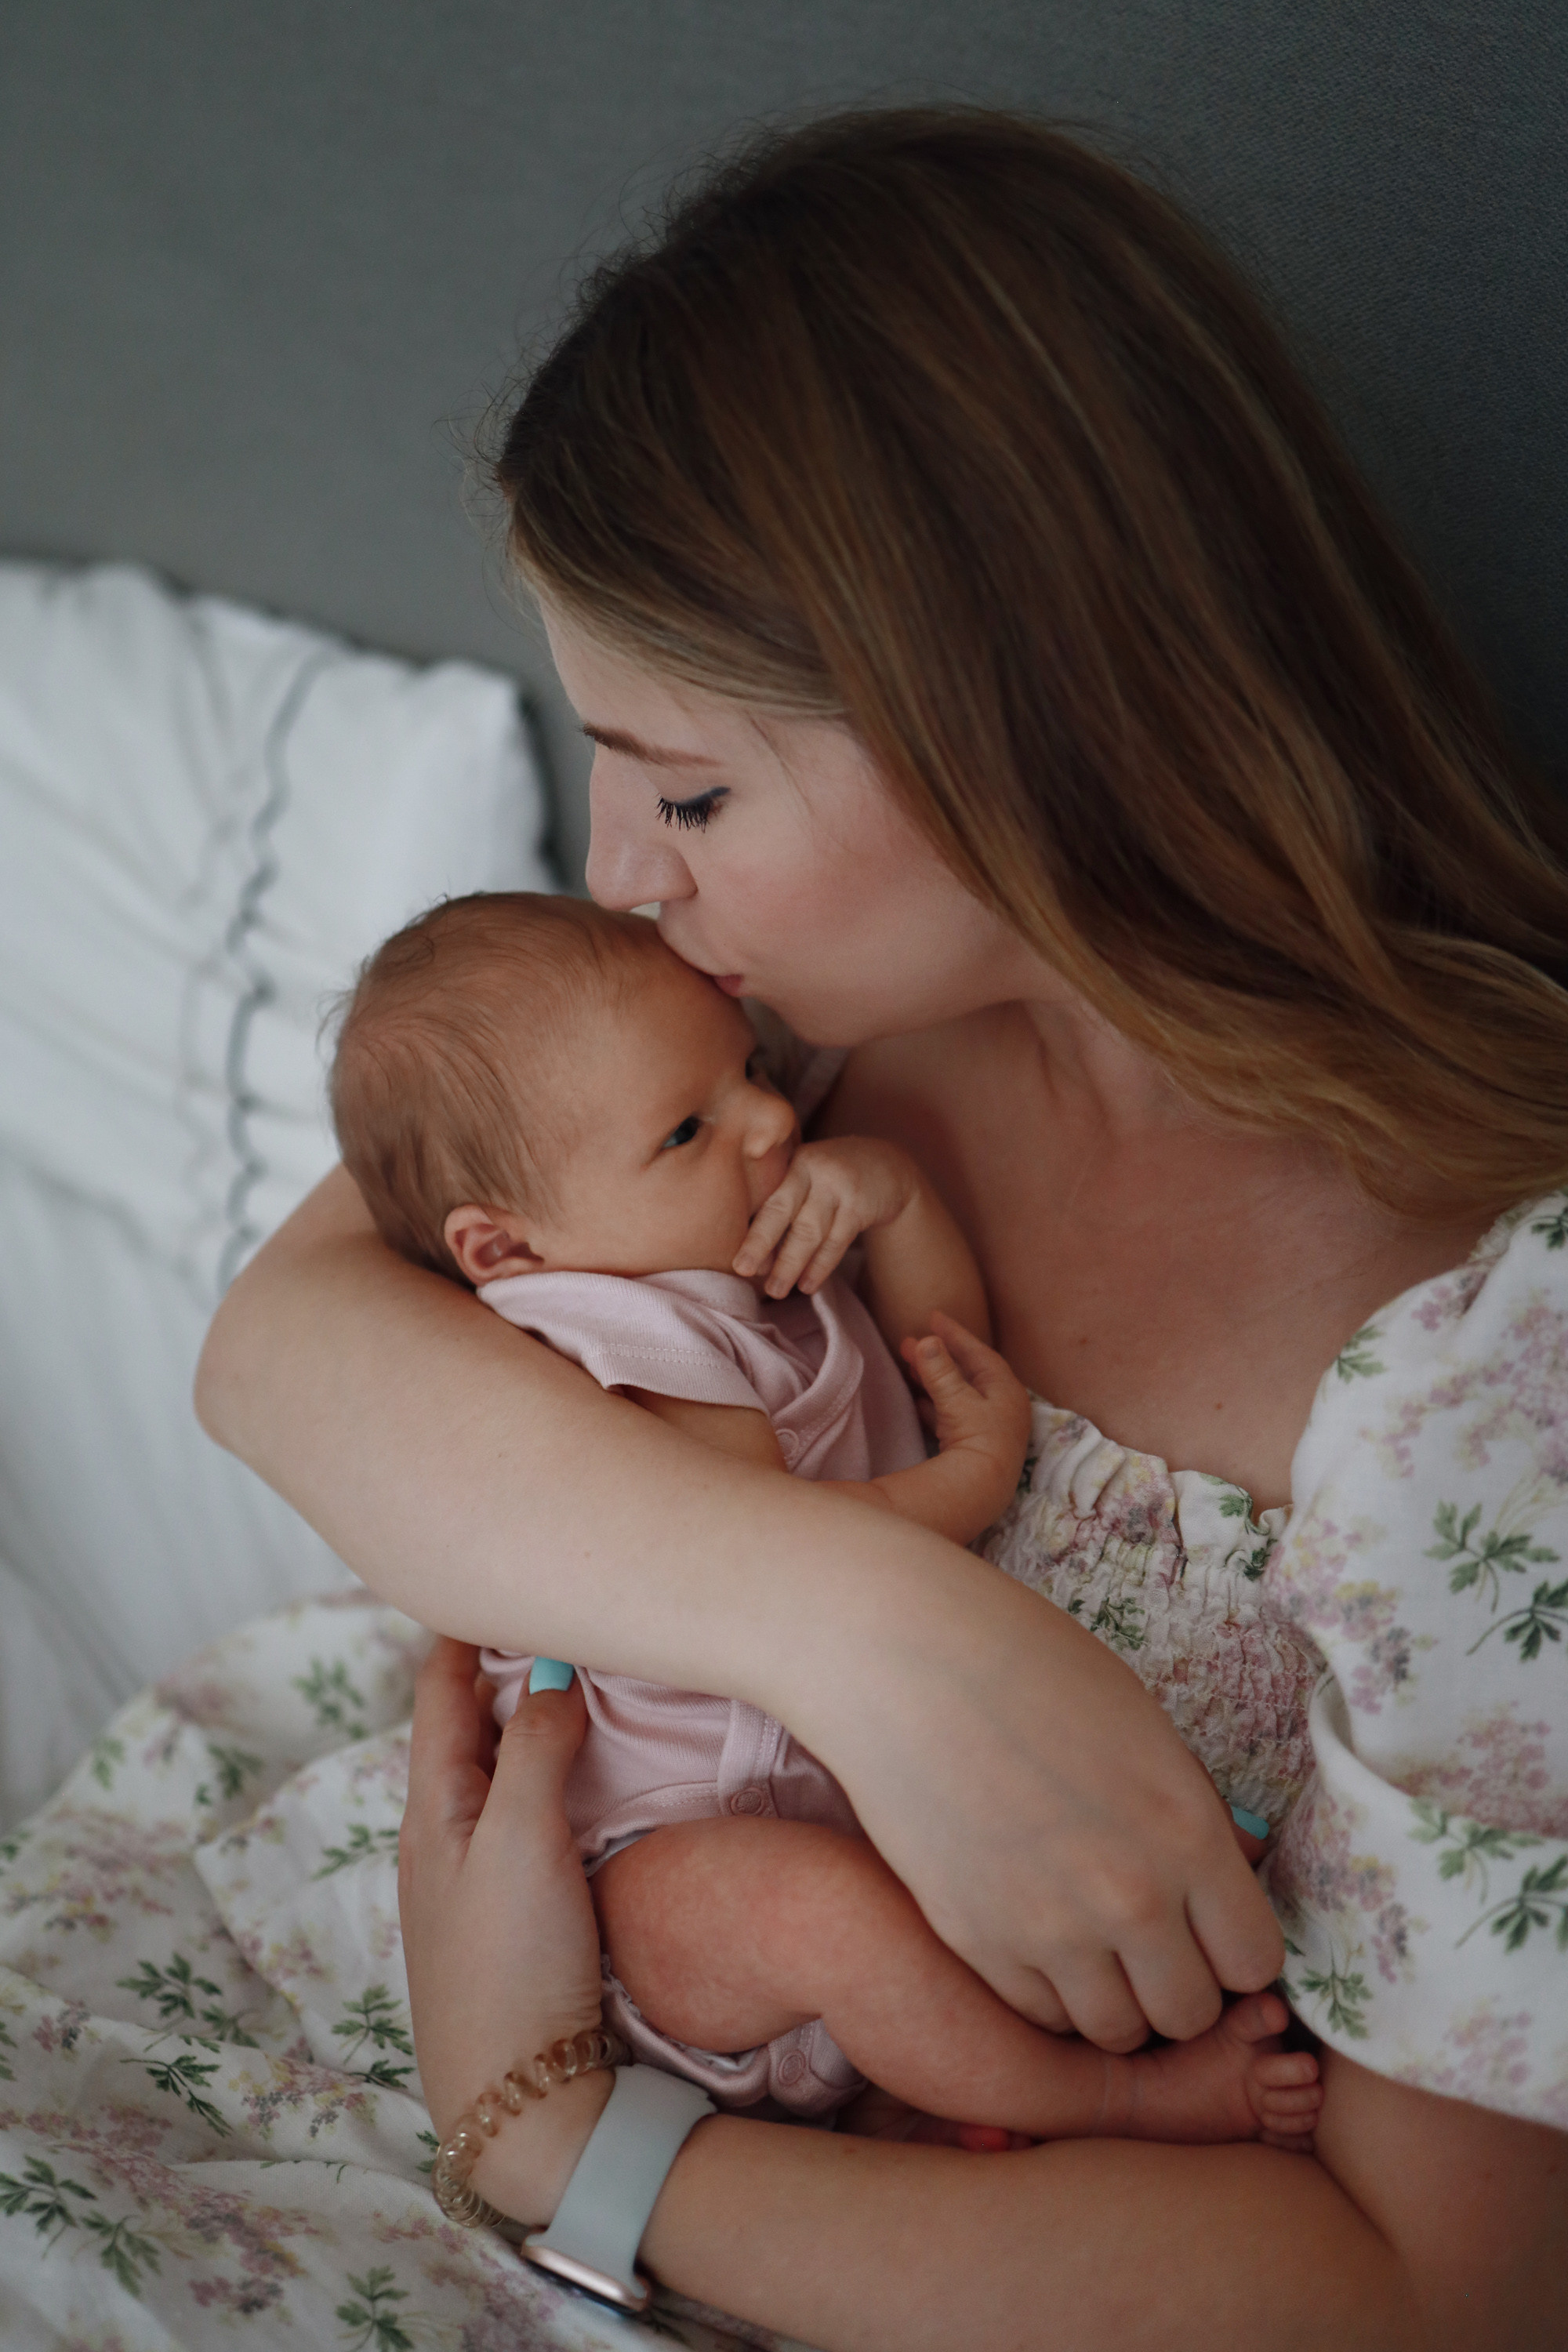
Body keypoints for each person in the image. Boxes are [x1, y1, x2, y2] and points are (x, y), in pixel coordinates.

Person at [198, 108, 1568, 2348]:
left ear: (1026, 705)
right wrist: (877, 1633)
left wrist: (561, 2144)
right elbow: (279, 1345)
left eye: (696, 788)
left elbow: (1431, 2305)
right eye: (603, 766)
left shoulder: (1499, 1350)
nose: (620, 870)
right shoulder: (773, 1061)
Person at [328, 887, 1319, 2147]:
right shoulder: (605, 1333)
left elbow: (937, 1351)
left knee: (1054, 1837)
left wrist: (895, 1204)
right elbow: (800, 1544)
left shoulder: (731, 1252)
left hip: (835, 1789)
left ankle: (972, 2064)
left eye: (747, 1070)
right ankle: (1112, 2097)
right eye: (688, 1129)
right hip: (646, 1870)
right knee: (821, 1919)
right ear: (505, 1249)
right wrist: (977, 1471)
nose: (771, 1118)